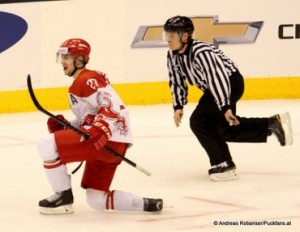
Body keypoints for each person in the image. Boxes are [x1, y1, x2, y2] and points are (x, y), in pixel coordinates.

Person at [37, 38, 163, 215]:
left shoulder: (87, 79)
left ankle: (62, 197)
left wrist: (102, 129)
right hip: (112, 142)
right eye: (62, 57)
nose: (62, 62)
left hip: (106, 139)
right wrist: (68, 126)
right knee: (96, 199)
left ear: (79, 60)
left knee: (47, 144)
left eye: (66, 57)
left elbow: (113, 106)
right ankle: (146, 204)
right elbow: (91, 117)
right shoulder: (83, 81)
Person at [163, 16, 293, 182]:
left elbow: (218, 78)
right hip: (215, 88)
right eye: (166, 34)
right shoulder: (172, 55)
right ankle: (271, 124)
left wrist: (225, 107)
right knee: (224, 130)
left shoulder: (202, 52)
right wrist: (178, 105)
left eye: (172, 35)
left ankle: (224, 163)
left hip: (230, 83)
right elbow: (176, 80)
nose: (168, 39)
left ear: (185, 36)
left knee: (199, 121)